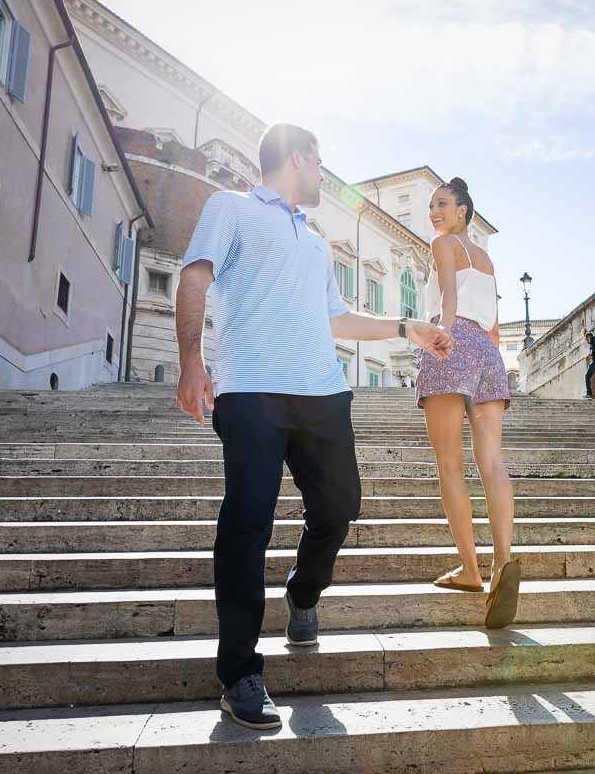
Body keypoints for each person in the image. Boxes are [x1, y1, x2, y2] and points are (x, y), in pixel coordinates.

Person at [174, 124, 453, 731]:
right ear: (296, 158)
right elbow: (195, 276)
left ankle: (302, 592)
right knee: (247, 523)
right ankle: (240, 673)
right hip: (250, 389)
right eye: (320, 160)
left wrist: (408, 330)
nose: (324, 172)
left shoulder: (317, 240)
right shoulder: (233, 209)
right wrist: (192, 361)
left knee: (340, 506)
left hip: (321, 392)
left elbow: (338, 319)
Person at [416, 177, 521, 630]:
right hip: (488, 352)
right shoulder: (487, 258)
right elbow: (495, 323)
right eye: (431, 206)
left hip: (454, 341)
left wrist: (442, 332)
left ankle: (471, 570)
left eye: (441, 204)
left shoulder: (445, 245)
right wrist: (492, 358)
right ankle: (503, 562)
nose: (434, 212)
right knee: (492, 461)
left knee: (451, 466)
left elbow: (448, 297)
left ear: (462, 211)